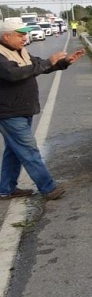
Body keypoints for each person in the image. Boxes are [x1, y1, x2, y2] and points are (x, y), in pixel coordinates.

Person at [0, 19, 85, 200]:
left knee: (14, 151)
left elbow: (38, 66)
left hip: (22, 109)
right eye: (20, 35)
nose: (25, 38)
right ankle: (48, 188)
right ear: (6, 36)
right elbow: (14, 74)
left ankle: (6, 188)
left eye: (25, 34)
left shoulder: (19, 51)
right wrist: (48, 62)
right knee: (28, 150)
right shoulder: (1, 55)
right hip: (8, 112)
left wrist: (64, 62)